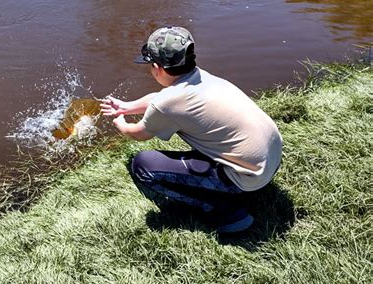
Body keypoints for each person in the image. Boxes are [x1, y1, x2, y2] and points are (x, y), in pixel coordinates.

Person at [100, 26, 283, 233]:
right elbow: (163, 100)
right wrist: (127, 106)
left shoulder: (170, 101)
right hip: (271, 159)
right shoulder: (200, 77)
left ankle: (224, 209)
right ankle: (239, 186)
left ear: (156, 67)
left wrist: (122, 124)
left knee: (143, 166)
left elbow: (139, 133)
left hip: (249, 176)